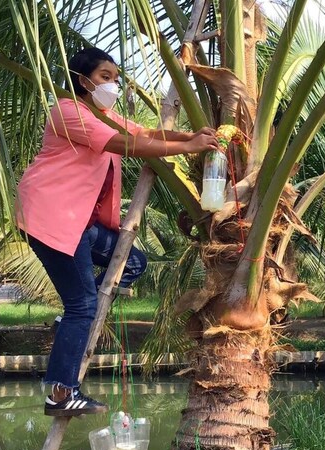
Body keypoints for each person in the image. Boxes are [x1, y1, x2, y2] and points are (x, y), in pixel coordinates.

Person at [16, 47, 219, 417]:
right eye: (105, 77)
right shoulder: (68, 112)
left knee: (132, 262)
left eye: (116, 77)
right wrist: (188, 146)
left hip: (80, 223)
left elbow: (142, 131)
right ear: (83, 80)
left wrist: (189, 134)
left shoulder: (104, 115)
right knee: (82, 305)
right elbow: (127, 144)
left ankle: (72, 323)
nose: (113, 84)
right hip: (53, 217)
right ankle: (60, 395)